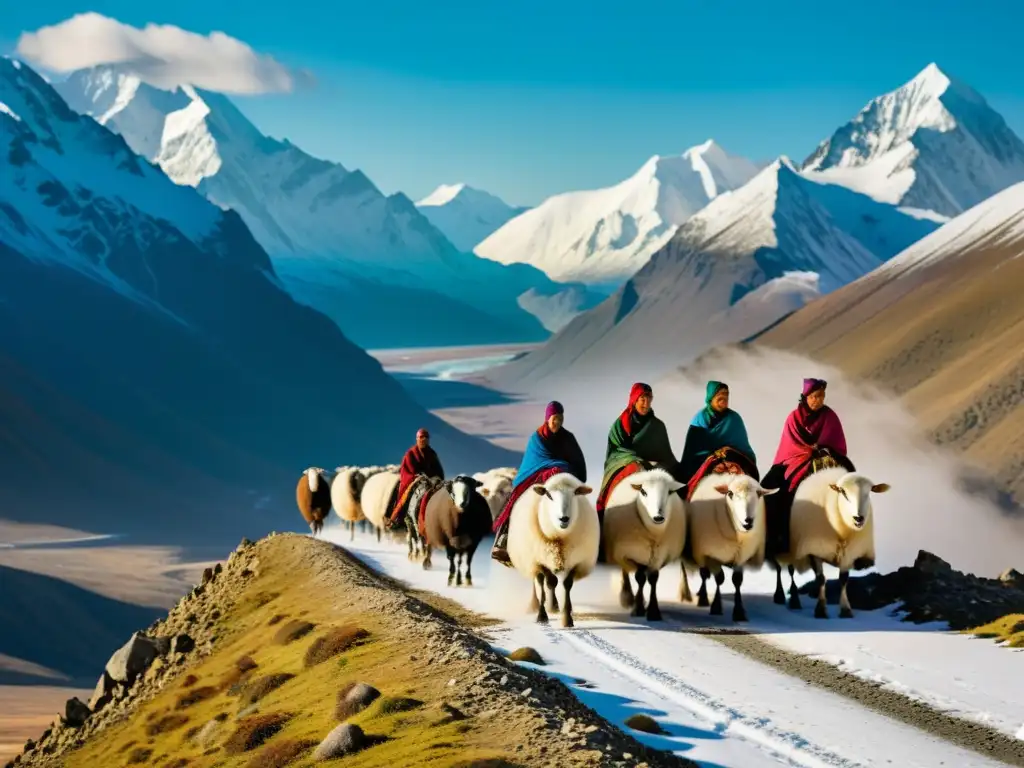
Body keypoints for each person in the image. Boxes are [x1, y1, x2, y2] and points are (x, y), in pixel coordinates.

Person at [762, 378, 854, 556]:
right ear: (806, 397)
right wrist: (806, 450)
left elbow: (837, 442)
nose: (818, 400)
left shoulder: (829, 416)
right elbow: (790, 443)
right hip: (794, 458)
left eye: (822, 396)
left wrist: (821, 448)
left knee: (851, 484)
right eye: (815, 396)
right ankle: (771, 536)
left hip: (824, 456)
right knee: (768, 487)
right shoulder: (794, 417)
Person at [490, 401, 587, 567]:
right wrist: (556, 467)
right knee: (517, 499)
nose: (557, 422)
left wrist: (567, 470)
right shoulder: (537, 438)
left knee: (578, 503)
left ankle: (585, 543)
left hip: (562, 479)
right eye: (554, 418)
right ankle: (504, 540)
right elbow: (533, 462)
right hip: (535, 477)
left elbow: (578, 461)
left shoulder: (568, 438)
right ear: (547, 418)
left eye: (560, 418)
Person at [594, 383, 678, 559]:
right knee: (633, 470)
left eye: (649, 399)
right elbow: (616, 451)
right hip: (625, 465)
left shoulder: (657, 426)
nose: (646, 403)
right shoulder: (620, 425)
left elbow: (666, 454)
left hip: (654, 467)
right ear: (634, 400)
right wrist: (637, 460)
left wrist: (661, 465)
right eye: (642, 398)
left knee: (674, 483)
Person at [678, 381, 758, 497]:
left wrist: (729, 452)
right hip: (705, 460)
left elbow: (743, 447)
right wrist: (714, 456)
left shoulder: (734, 418)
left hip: (733, 458)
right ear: (711, 397)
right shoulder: (700, 419)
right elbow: (694, 450)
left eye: (726, 395)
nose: (724, 399)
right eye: (719, 395)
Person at [387, 427, 445, 527]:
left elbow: (438, 469)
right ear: (417, 439)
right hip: (415, 480)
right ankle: (397, 518)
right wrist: (417, 477)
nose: (424, 439)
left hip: (432, 481)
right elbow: (408, 470)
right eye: (421, 437)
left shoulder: (432, 453)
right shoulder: (410, 453)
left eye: (426, 437)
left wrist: (438, 478)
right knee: (407, 495)